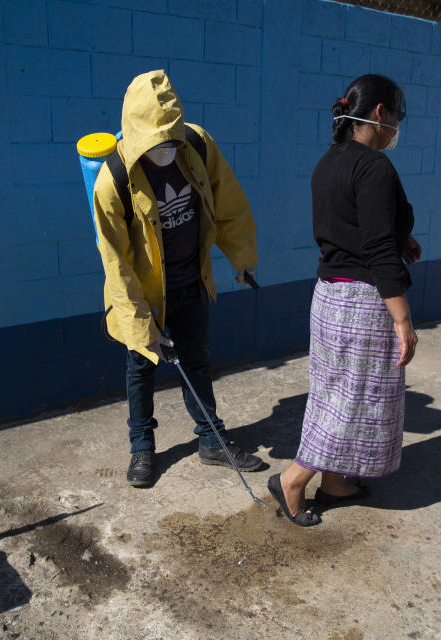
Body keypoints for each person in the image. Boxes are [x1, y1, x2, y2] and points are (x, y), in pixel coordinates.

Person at [92, 70, 263, 487]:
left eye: (172, 138)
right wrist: (140, 326)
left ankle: (210, 439)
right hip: (144, 292)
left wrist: (240, 257)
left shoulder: (198, 145)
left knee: (197, 360)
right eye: (157, 142)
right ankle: (141, 448)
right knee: (141, 367)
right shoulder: (112, 181)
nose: (167, 148)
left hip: (190, 279)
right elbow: (116, 263)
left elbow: (228, 200)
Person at [268, 74, 421, 526]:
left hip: (330, 298)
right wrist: (402, 320)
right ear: (380, 114)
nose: (398, 125)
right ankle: (294, 480)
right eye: (398, 115)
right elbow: (374, 249)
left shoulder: (329, 161)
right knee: (353, 400)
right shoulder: (374, 167)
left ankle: (335, 483)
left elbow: (353, 227)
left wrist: (401, 238)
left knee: (335, 395)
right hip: (363, 303)